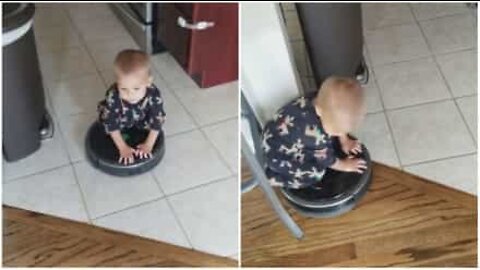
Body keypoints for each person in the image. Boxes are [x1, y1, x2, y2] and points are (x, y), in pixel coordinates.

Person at [262, 76, 367, 189]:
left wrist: (344, 140)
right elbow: (327, 160)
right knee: (316, 173)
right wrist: (345, 165)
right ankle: (274, 179)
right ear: (319, 111)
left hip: (274, 133)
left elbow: (338, 116)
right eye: (336, 131)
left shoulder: (318, 99)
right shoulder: (315, 137)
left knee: (326, 138)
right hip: (279, 157)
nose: (337, 134)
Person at [97, 49, 166, 165]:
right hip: (122, 117)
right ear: (117, 83)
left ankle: (138, 126)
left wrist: (149, 144)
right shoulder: (114, 95)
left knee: (155, 120)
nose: (130, 94)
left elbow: (157, 120)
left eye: (136, 88)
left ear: (148, 82)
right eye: (123, 88)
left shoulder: (154, 94)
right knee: (106, 120)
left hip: (142, 116)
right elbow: (111, 123)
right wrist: (123, 148)